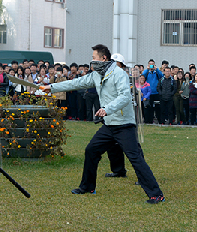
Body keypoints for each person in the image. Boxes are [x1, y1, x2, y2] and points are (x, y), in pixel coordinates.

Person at [41, 44, 165, 204]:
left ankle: (156, 194)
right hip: (109, 125)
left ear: (104, 58)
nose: (92, 61)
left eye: (94, 58)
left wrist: (107, 109)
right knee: (91, 150)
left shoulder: (119, 74)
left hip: (124, 124)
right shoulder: (96, 75)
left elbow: (124, 97)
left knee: (135, 158)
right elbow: (75, 83)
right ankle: (87, 187)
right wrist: (50, 88)